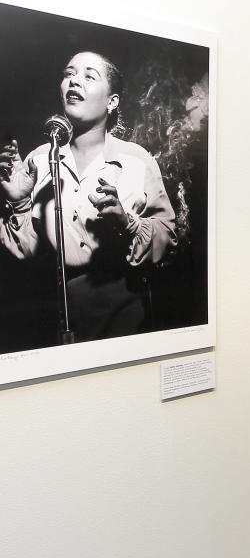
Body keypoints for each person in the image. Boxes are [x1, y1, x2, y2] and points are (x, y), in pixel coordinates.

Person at [0, 51, 177, 341]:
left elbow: (168, 238)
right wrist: (20, 203)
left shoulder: (136, 160)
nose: (74, 82)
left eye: (88, 76)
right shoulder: (39, 160)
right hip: (50, 313)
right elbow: (25, 254)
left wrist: (128, 222)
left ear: (112, 101)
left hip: (123, 314)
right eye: (69, 74)